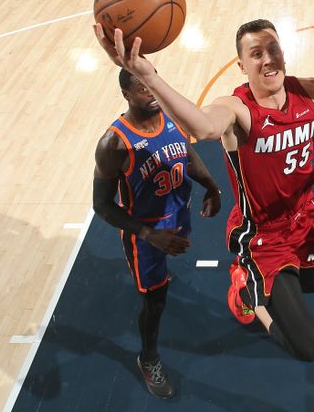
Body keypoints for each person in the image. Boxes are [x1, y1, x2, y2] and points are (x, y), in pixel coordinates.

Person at [94, 19, 314, 362]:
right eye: (256, 53)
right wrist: (151, 78)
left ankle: (264, 286)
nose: (267, 59)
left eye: (272, 48)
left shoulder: (309, 90)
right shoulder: (237, 108)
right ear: (242, 65)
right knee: (308, 348)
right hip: (264, 235)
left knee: (313, 285)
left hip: (306, 218)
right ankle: (244, 287)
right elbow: (203, 127)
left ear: (283, 52)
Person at [92, 68, 222, 399]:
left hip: (177, 215)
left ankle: (160, 275)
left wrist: (211, 186)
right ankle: (148, 358)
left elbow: (186, 153)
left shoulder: (173, 116)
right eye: (141, 89)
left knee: (164, 283)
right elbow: (102, 206)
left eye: (151, 84)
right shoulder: (113, 144)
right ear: (126, 95)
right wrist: (150, 235)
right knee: (155, 301)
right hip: (145, 235)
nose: (150, 92)